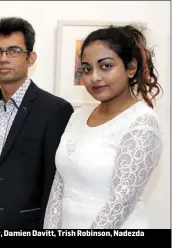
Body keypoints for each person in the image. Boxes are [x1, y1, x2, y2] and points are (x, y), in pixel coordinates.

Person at [44, 25, 162, 229]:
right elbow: (60, 183)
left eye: (106, 66)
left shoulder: (142, 121)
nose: (94, 77)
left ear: (131, 68)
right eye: (87, 69)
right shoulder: (78, 116)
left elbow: (120, 203)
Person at [0, 17, 74, 229]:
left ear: (31, 58)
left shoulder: (55, 110)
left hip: (27, 225)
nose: (3, 58)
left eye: (14, 51)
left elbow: (55, 179)